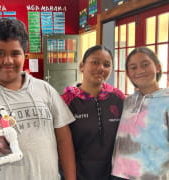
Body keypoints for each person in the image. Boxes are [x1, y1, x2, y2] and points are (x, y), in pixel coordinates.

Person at [0, 18, 77, 180]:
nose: (8, 60)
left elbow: (64, 140)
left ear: (25, 55)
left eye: (15, 53)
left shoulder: (45, 90)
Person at [61, 45, 125, 180]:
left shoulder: (118, 98)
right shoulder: (66, 101)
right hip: (79, 174)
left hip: (114, 174)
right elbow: (60, 145)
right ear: (81, 66)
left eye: (106, 64)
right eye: (95, 62)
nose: (101, 68)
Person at [111, 47, 169, 180]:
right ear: (128, 74)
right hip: (118, 175)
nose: (140, 71)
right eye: (133, 67)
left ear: (158, 67)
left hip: (153, 176)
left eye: (145, 64)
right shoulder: (127, 102)